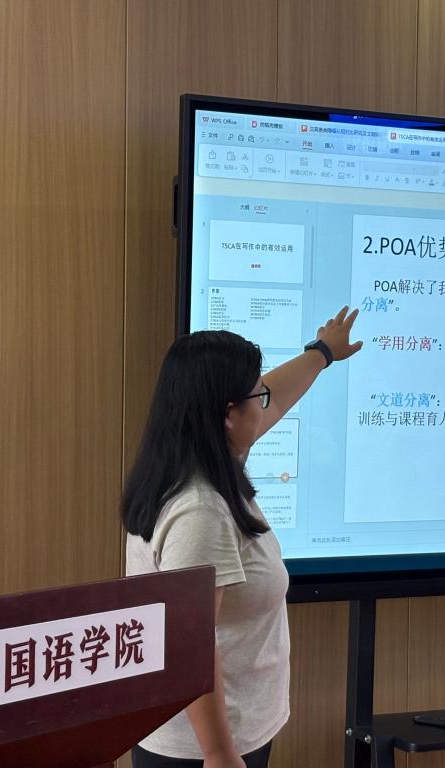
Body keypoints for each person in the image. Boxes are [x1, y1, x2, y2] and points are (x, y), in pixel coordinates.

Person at [122, 307, 363, 768]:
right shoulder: (200, 510)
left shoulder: (200, 458)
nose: (266, 402)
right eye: (257, 394)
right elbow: (187, 641)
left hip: (228, 733)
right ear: (228, 415)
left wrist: (322, 353)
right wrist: (218, 752)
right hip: (202, 748)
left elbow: (276, 398)